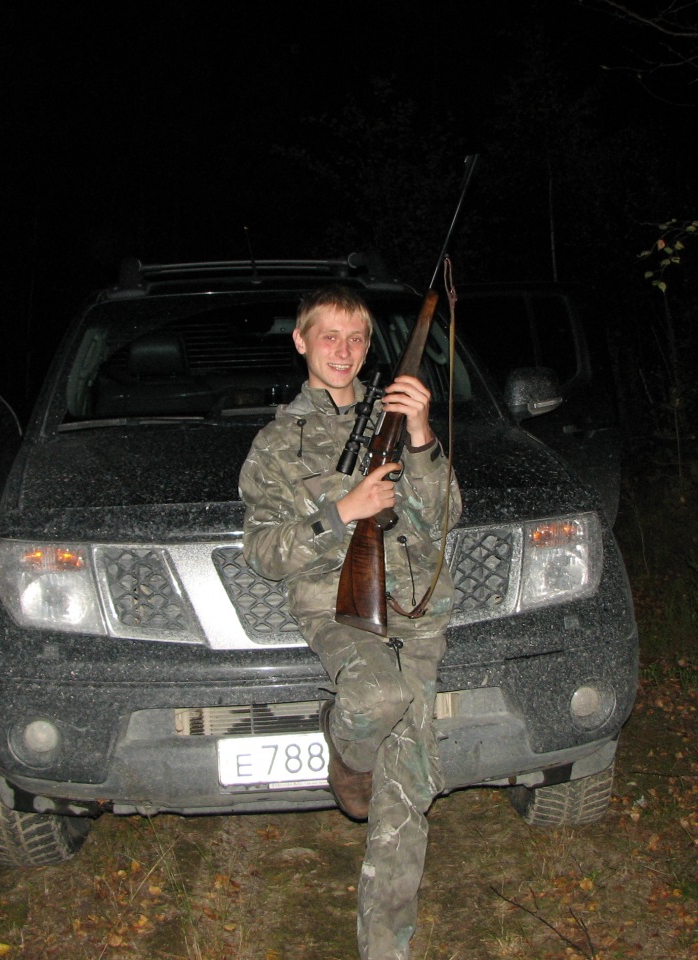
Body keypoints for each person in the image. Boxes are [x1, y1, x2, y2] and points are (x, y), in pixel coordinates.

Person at [238, 284, 461, 960]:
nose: (344, 350)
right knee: (375, 697)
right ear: (300, 340)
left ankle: (385, 950)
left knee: (405, 799)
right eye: (329, 336)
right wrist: (342, 512)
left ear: (369, 346)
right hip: (339, 607)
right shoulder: (277, 443)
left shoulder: (396, 411)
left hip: (415, 609)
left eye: (357, 338)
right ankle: (346, 754)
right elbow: (264, 553)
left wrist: (420, 435)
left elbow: (444, 518)